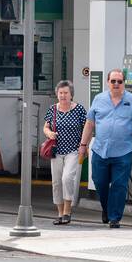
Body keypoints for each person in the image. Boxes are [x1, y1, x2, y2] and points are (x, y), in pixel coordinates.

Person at [79, 69, 132, 229]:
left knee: (119, 185)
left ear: (124, 83)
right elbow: (89, 123)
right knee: (99, 182)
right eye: (113, 81)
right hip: (100, 150)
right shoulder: (98, 99)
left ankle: (114, 217)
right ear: (108, 82)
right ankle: (107, 208)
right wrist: (83, 145)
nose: (116, 84)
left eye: (119, 81)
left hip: (123, 151)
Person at [43, 80, 86, 225]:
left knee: (67, 178)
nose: (63, 96)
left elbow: (87, 128)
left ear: (71, 94)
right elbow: (46, 127)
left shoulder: (79, 109)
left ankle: (68, 210)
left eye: (66, 93)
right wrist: (49, 134)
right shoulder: (52, 110)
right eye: (60, 93)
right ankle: (60, 213)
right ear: (57, 94)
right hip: (56, 151)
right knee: (56, 182)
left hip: (73, 150)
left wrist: (84, 146)